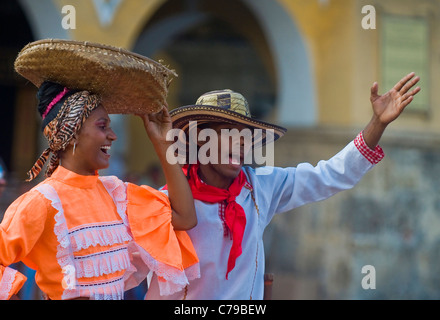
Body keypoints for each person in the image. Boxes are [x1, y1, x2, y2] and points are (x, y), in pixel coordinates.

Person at [145, 72, 421, 300]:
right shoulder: (168, 203)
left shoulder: (260, 187)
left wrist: (377, 124)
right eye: (228, 134)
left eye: (246, 137)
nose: (241, 144)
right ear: (201, 141)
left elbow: (329, 175)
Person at [0, 39, 199, 300]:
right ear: (70, 134)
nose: (113, 136)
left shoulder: (116, 194)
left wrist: (162, 144)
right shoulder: (42, 202)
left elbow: (184, 218)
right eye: (102, 126)